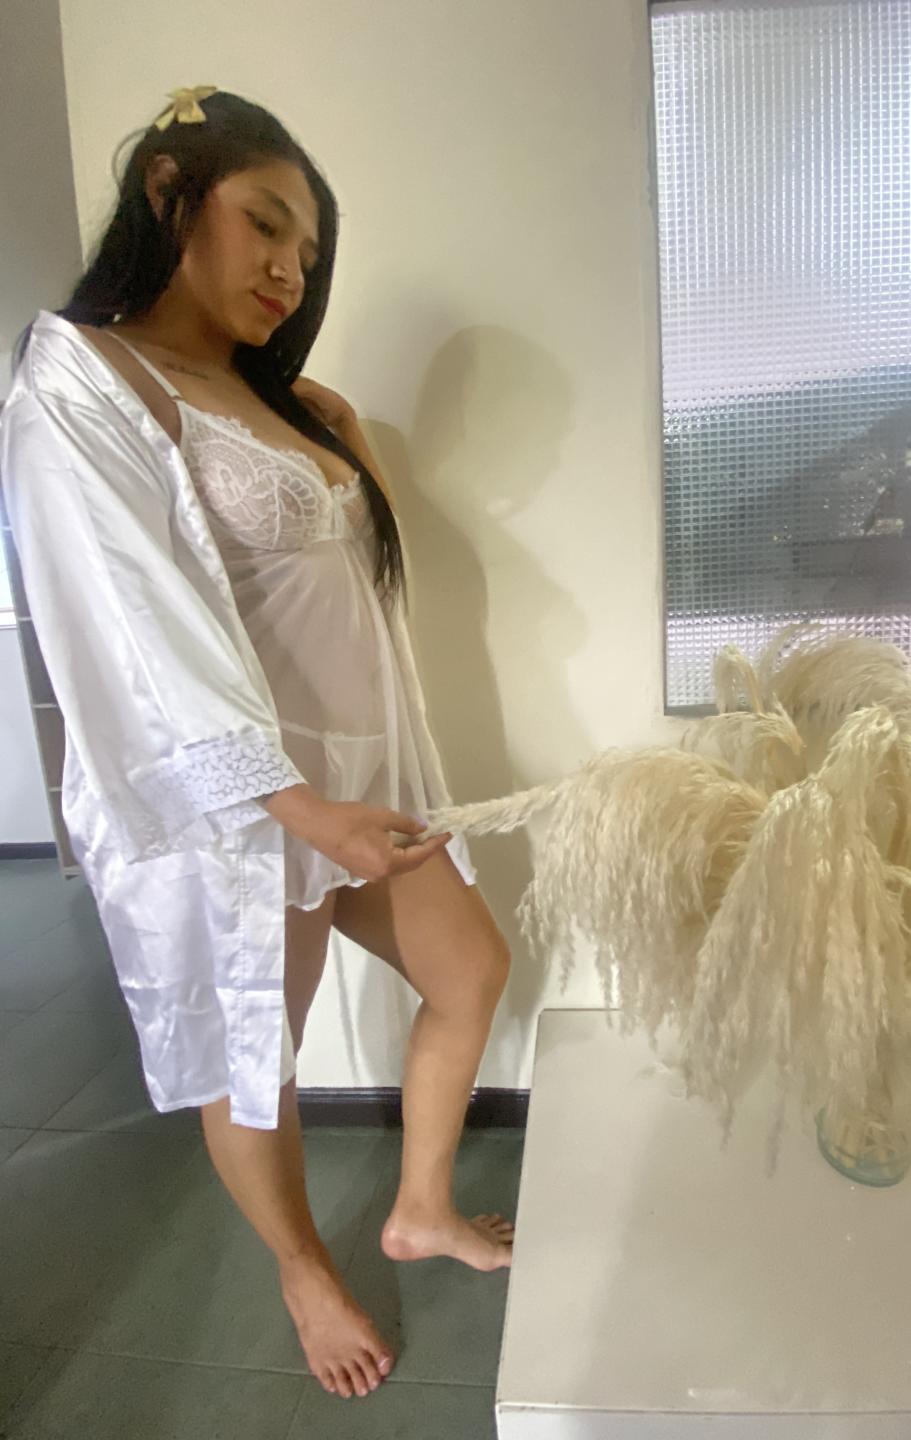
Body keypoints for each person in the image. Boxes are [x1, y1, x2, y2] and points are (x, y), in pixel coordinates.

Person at [0, 85, 513, 1403]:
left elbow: (356, 598)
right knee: (252, 1066)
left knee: (471, 970)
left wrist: (343, 439)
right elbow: (125, 614)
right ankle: (301, 1270)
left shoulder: (284, 397)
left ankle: (418, 1211)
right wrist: (291, 804)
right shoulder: (86, 379)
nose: (290, 269)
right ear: (170, 192)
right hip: (245, 810)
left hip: (359, 786)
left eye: (310, 251)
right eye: (268, 225)